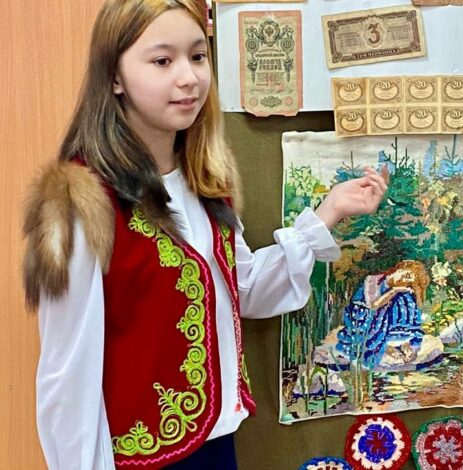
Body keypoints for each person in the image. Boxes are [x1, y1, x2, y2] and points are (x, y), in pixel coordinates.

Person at [22, 1, 388, 469]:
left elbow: (241, 288)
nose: (189, 78)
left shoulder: (205, 179)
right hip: (141, 458)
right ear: (114, 76)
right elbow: (67, 373)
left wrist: (327, 212)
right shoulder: (81, 200)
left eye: (197, 57)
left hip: (215, 441)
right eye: (162, 60)